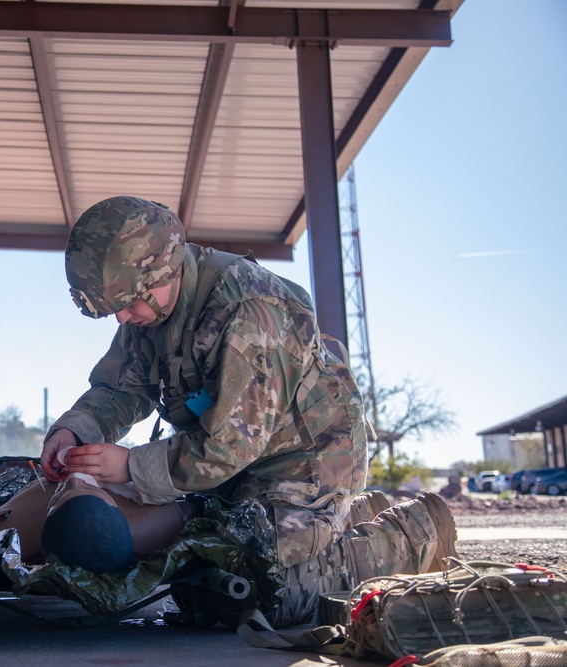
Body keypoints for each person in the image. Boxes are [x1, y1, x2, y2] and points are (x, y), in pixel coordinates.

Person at [38, 195, 457, 627]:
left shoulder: (249, 311)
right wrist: (76, 431)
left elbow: (230, 445)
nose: (124, 318)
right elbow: (120, 388)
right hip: (230, 463)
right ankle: (334, 522)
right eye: (115, 308)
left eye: (130, 303)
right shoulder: (149, 309)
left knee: (253, 593)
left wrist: (130, 465)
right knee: (193, 570)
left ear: (167, 268)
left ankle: (410, 535)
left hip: (303, 461)